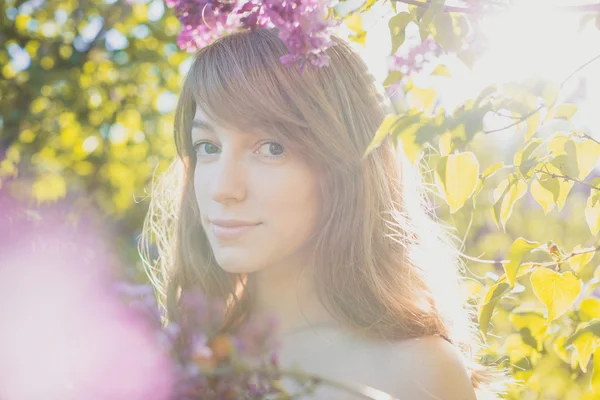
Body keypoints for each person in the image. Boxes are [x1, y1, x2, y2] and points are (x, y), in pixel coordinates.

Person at [141, 27, 511, 399]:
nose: (222, 187)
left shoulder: (416, 370)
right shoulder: (173, 358)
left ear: (344, 165)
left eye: (271, 148)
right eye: (207, 146)